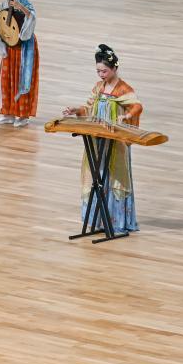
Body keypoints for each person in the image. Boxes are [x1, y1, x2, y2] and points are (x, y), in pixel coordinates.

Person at [62, 44, 143, 233]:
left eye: (104, 71)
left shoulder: (123, 89)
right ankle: (98, 219)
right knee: (96, 173)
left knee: (115, 176)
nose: (101, 75)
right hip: (98, 139)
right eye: (98, 71)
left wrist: (125, 117)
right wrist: (76, 109)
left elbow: (137, 106)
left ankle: (117, 221)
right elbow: (89, 108)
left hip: (115, 140)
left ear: (114, 68)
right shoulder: (98, 87)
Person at [0, 0, 39, 127]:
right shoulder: (3, 5)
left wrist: (20, 7)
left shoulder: (23, 0)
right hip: (9, 45)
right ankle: (8, 113)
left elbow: (32, 16)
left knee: (21, 78)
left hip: (24, 46)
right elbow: (4, 25)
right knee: (7, 77)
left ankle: (22, 115)